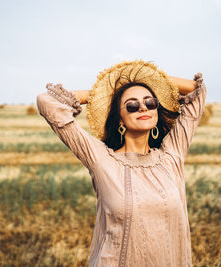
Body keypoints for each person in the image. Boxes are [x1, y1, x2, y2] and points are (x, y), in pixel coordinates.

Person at [36, 60, 207, 266]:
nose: (143, 107)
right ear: (119, 119)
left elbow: (196, 92)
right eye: (132, 105)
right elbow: (47, 101)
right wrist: (106, 93)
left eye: (150, 102)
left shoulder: (172, 156)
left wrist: (146, 80)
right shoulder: (102, 160)